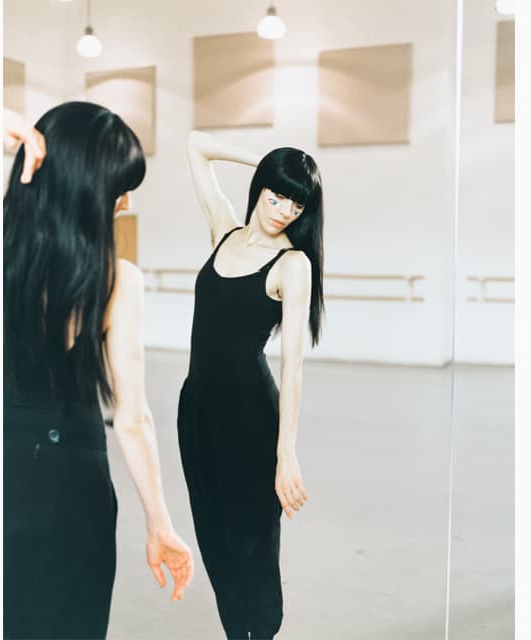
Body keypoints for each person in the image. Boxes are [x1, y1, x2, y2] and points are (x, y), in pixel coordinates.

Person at [3, 101, 194, 639]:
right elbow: (133, 418)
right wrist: (158, 521)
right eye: (117, 187)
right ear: (83, 186)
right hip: (74, 489)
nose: (126, 201)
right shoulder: (118, 280)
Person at [178, 130, 325, 639]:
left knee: (253, 548)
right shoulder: (224, 230)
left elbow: (292, 367)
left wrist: (286, 453)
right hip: (197, 413)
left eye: (297, 204)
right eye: (277, 195)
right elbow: (195, 144)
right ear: (260, 188)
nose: (285, 211)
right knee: (215, 542)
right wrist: (267, 162)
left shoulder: (293, 264)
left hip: (251, 421)